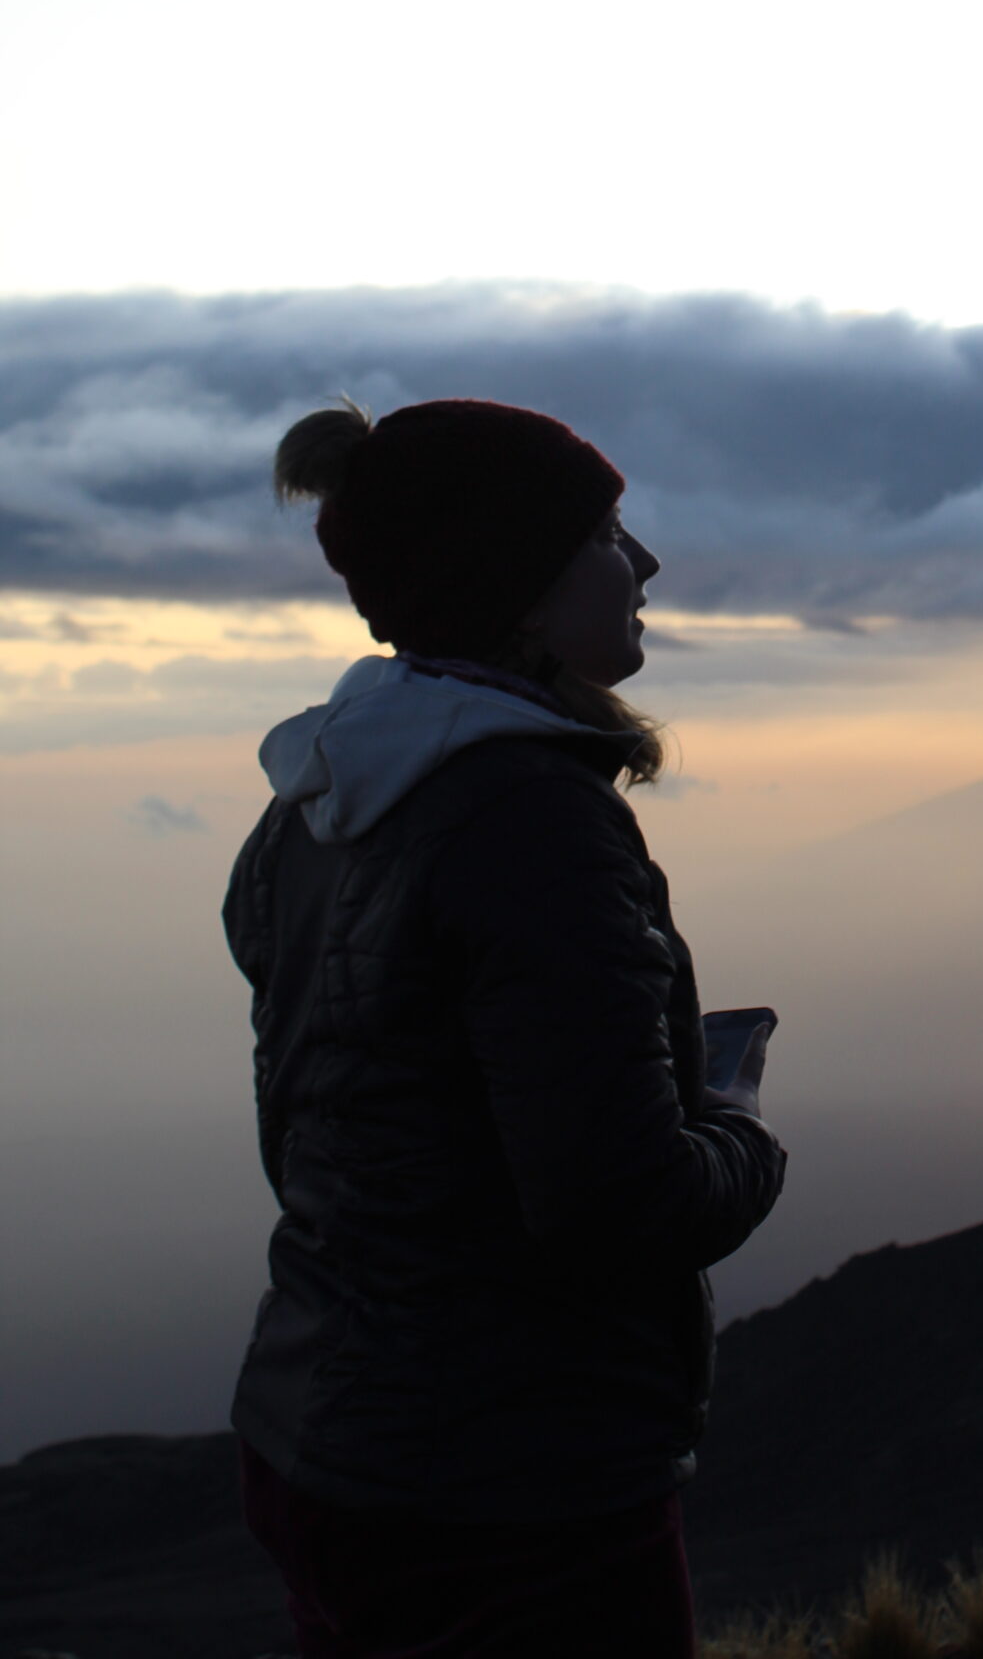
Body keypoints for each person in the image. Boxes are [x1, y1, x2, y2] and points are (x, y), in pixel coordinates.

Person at [223, 395, 785, 1658]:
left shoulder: (320, 797)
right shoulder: (530, 818)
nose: (645, 562)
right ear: (518, 587)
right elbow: (622, 1210)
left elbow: (318, 1137)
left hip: (321, 1438)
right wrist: (738, 1120)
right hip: (510, 1492)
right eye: (607, 534)